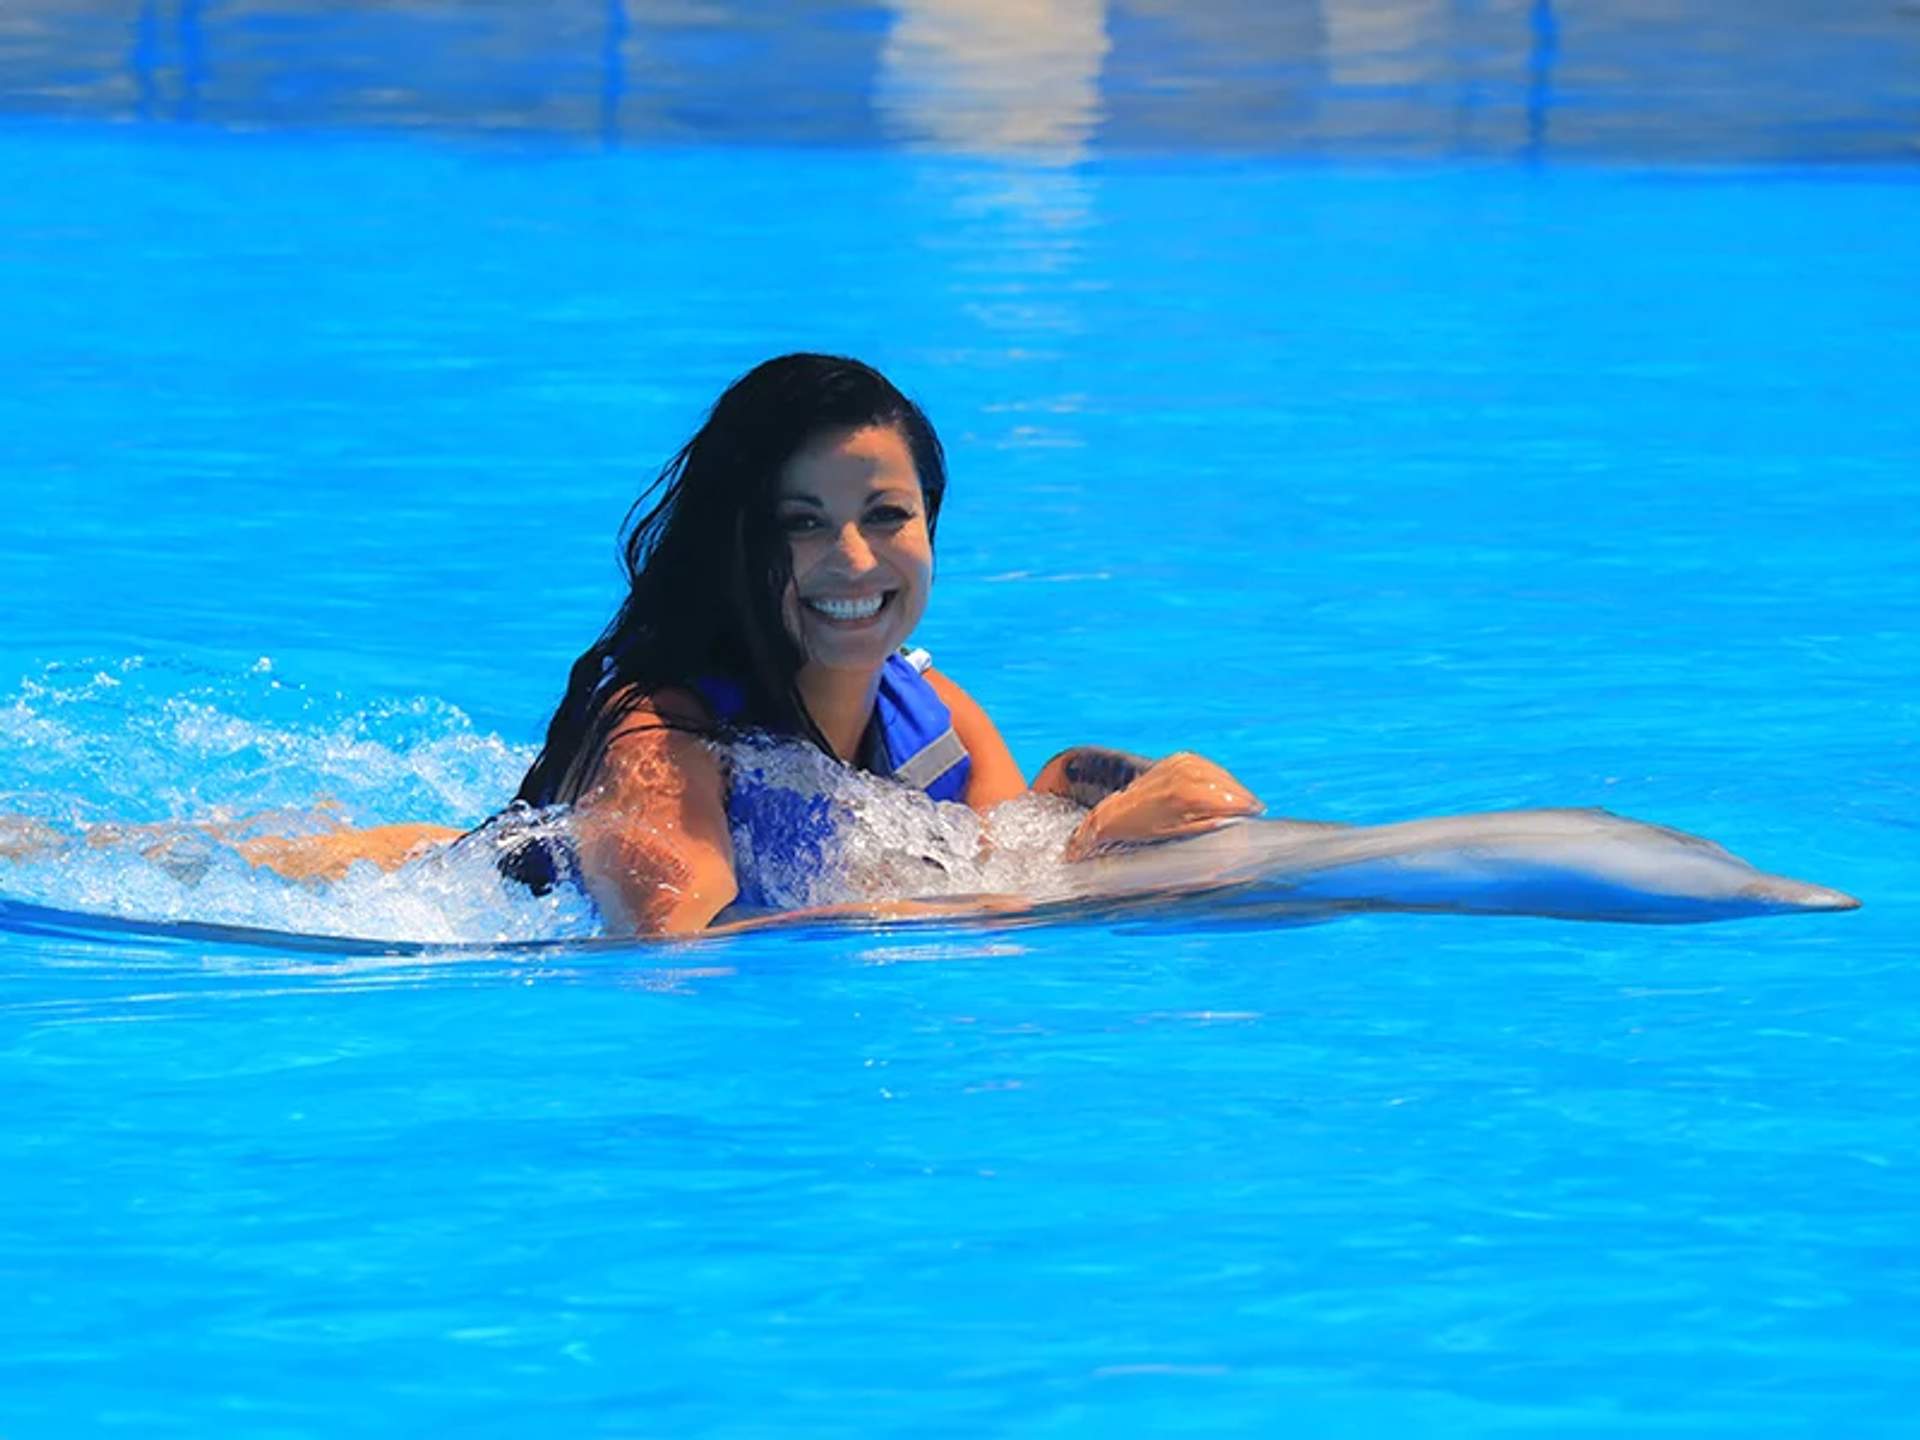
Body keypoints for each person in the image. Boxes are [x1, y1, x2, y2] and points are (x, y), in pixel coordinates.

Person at [221, 355, 1264, 933]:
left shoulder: (940, 720)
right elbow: (665, 945)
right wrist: (1017, 884)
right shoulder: (664, 742)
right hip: (421, 895)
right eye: (801, 523)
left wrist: (1102, 818)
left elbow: (1004, 854)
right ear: (738, 546)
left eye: (888, 516)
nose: (854, 560)